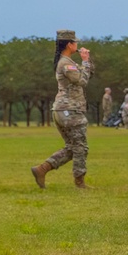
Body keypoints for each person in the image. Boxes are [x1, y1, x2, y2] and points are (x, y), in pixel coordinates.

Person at [31, 30, 94, 189]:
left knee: (72, 148)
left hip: (64, 111)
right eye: (75, 42)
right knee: (81, 147)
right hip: (69, 110)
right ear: (69, 44)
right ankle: (80, 183)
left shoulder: (67, 62)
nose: (78, 45)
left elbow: (87, 76)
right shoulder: (65, 63)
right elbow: (82, 81)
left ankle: (42, 169)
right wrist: (85, 62)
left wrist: (87, 62)